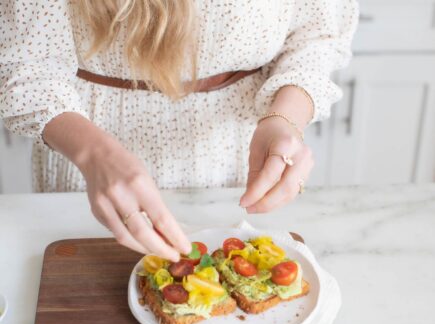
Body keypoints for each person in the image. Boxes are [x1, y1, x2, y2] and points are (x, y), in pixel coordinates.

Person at [0, 0, 358, 261]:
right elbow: (26, 65)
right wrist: (94, 154)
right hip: (88, 155)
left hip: (239, 153)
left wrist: (285, 118)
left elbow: (317, 35)